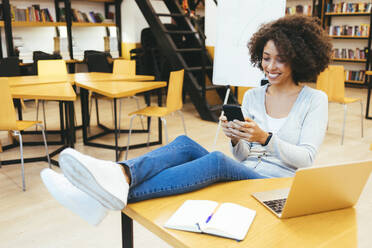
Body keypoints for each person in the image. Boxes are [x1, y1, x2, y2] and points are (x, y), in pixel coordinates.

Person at [41, 15, 332, 225]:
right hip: (246, 170)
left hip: (279, 185)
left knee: (216, 162)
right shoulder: (254, 96)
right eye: (266, 58)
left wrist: (264, 138)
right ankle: (118, 177)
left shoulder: (314, 100)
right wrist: (236, 137)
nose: (270, 66)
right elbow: (243, 156)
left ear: (299, 58)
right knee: (184, 143)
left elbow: (306, 159)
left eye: (280, 59)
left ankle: (94, 195)